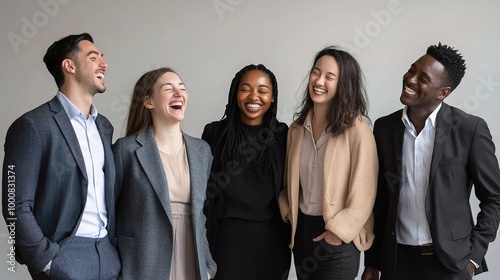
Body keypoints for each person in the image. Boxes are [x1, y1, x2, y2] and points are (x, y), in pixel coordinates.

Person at [361, 43, 500, 280]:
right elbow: (380, 200)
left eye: (423, 78)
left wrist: (473, 258)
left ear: (443, 92)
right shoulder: (384, 128)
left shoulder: (469, 129)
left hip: (449, 264)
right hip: (396, 262)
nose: (410, 79)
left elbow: (493, 198)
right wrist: (373, 262)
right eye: (411, 70)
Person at [2, 33, 120, 279]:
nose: (104, 64)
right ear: (69, 66)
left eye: (102, 58)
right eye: (93, 57)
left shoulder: (104, 127)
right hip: (64, 257)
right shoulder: (32, 126)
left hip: (108, 257)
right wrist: (46, 261)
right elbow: (15, 205)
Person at [278, 46, 378, 280]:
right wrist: (288, 212)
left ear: (344, 84)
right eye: (315, 72)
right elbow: (288, 183)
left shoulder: (358, 129)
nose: (319, 81)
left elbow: (365, 192)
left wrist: (337, 232)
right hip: (301, 233)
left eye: (329, 77)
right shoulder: (296, 129)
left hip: (338, 238)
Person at [113, 67, 216, 280]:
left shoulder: (201, 151)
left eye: (182, 89)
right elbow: (108, 215)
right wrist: (119, 269)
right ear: (149, 102)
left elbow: (200, 214)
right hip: (143, 266)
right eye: (169, 89)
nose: (179, 94)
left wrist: (206, 266)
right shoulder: (126, 150)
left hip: (192, 264)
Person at [202, 64, 291, 279]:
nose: (254, 96)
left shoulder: (283, 135)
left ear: (272, 98)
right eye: (245, 89)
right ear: (235, 93)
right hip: (225, 243)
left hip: (271, 243)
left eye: (262, 91)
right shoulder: (215, 133)